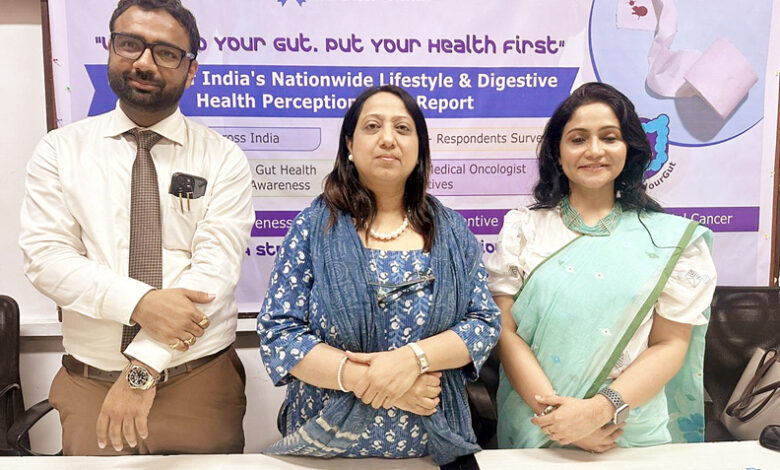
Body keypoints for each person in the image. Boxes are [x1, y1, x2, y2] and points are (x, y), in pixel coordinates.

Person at [19, 0, 253, 455]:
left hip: (197, 382)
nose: (144, 62)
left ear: (191, 70)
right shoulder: (60, 151)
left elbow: (214, 273)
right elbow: (47, 260)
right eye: (130, 44)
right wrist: (141, 303)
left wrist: (141, 369)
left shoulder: (223, 157)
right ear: (111, 49)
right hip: (92, 385)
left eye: (166, 52)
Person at [257, 85, 500, 465]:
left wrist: (412, 360)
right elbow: (279, 334)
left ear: (419, 148)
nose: (388, 138)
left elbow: (483, 322)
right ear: (349, 145)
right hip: (326, 454)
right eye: (373, 126)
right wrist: (376, 382)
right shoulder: (312, 228)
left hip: (434, 452)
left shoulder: (452, 232)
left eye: (402, 128)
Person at [485, 82, 716, 452]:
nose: (594, 151)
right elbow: (505, 333)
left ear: (629, 148)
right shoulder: (523, 229)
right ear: (557, 152)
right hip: (537, 428)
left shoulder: (670, 240)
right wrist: (559, 420)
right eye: (578, 139)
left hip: (627, 432)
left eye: (609, 137)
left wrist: (599, 410)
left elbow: (670, 343)